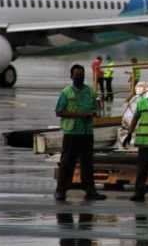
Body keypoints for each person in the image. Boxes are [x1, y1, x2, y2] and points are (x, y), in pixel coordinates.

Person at [54, 64, 106, 201]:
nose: (79, 77)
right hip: (72, 132)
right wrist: (78, 115)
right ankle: (61, 190)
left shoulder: (90, 91)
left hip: (87, 133)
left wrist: (93, 113)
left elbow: (96, 108)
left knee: (87, 163)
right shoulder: (66, 92)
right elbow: (59, 111)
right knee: (67, 163)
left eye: (81, 74)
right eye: (77, 74)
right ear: (71, 76)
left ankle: (90, 190)